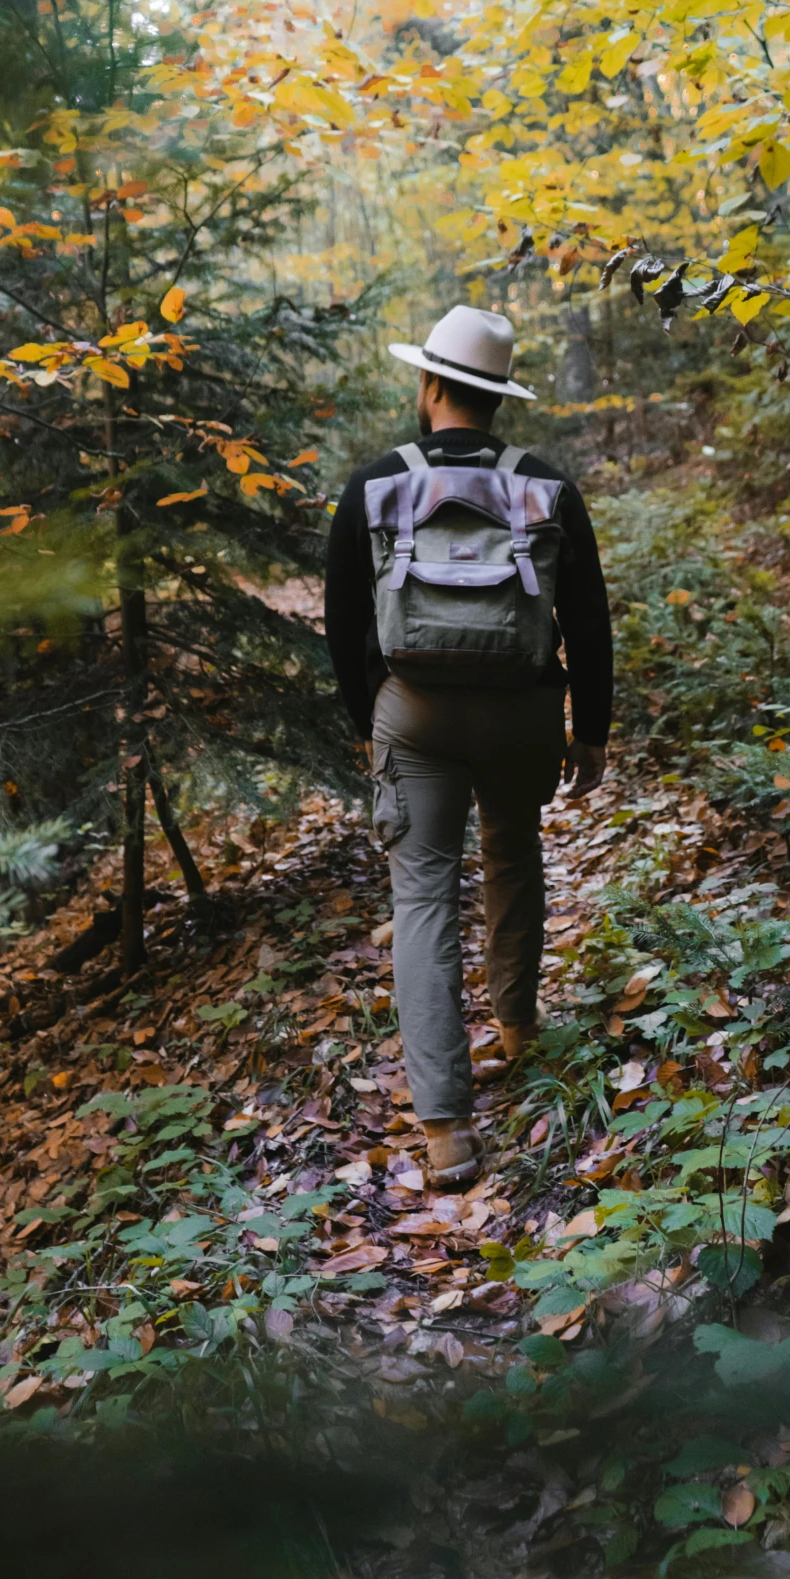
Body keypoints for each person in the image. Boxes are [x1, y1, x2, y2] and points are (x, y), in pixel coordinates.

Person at [325, 304, 613, 1187]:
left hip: (413, 713)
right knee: (513, 856)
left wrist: (367, 716)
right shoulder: (548, 488)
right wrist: (589, 731)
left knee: (421, 900)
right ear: (496, 398)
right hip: (522, 710)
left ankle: (447, 1129)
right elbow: (588, 622)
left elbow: (343, 623)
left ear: (432, 384)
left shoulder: (375, 486)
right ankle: (521, 1029)